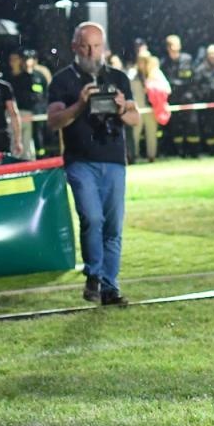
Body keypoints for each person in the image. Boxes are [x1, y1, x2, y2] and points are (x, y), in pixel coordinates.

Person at [46, 22, 139, 306]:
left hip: (113, 158)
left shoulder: (118, 77)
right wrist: (80, 104)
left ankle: (109, 287)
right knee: (92, 218)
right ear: (75, 46)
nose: (91, 51)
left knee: (113, 226)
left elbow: (135, 119)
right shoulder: (62, 81)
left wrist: (122, 107)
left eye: (97, 45)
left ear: (104, 46)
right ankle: (93, 274)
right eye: (86, 45)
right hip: (80, 160)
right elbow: (53, 121)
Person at [8, 50, 49, 158]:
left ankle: (41, 159)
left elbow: (45, 93)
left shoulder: (40, 76)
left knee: (39, 136)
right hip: (25, 113)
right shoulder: (20, 78)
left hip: (39, 113)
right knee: (25, 140)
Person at [135, 53, 170, 162]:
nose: (142, 64)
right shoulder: (133, 74)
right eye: (140, 61)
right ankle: (134, 156)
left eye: (145, 61)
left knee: (151, 133)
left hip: (152, 108)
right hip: (138, 109)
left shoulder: (156, 74)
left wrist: (153, 89)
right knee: (135, 133)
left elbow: (167, 89)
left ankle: (152, 156)